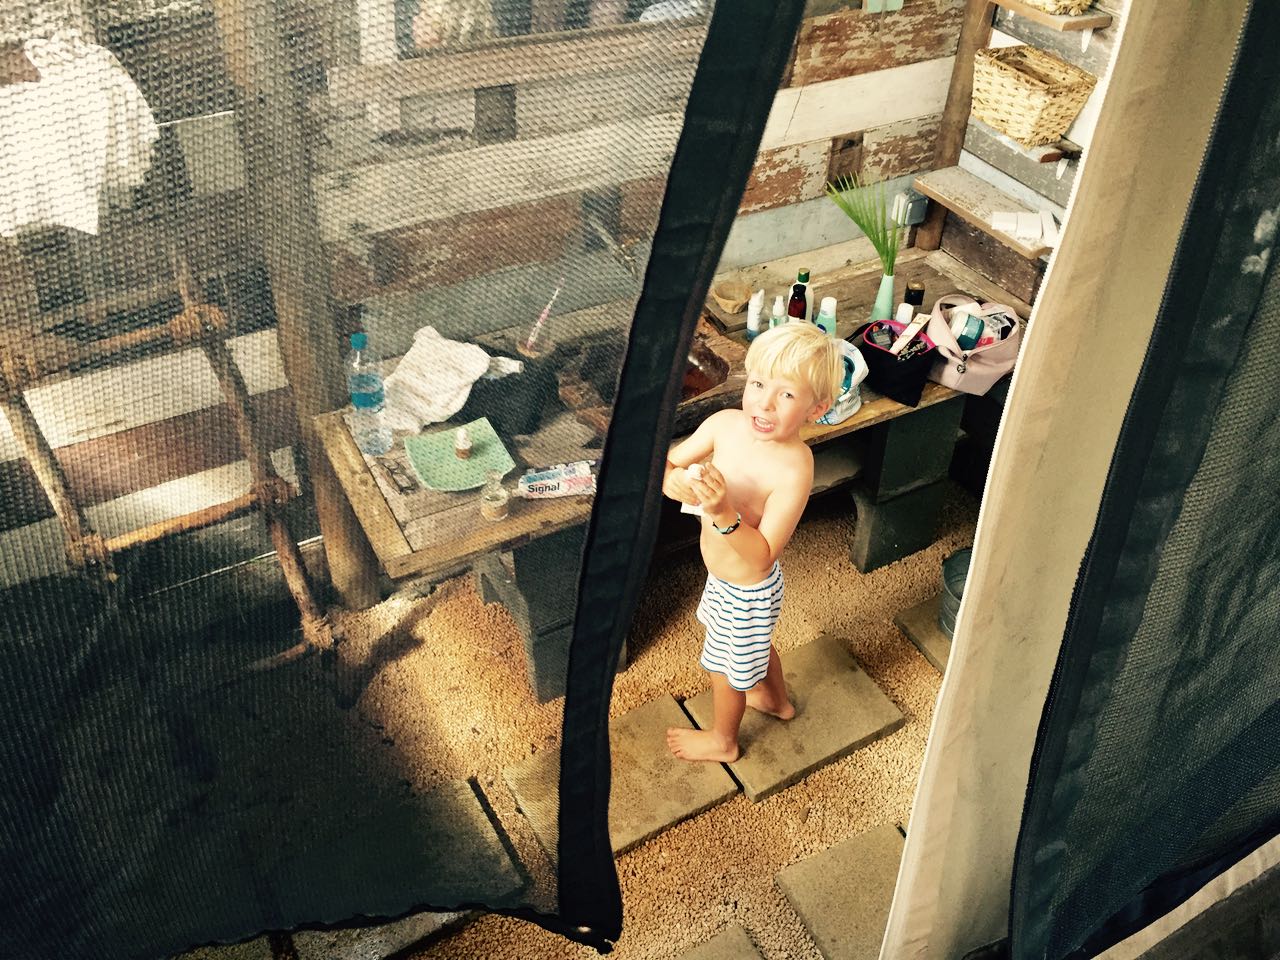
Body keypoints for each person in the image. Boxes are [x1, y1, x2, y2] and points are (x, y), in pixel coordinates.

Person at [663, 322, 842, 762]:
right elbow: (668, 464)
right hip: (722, 579)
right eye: (759, 384)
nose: (764, 402)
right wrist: (674, 483)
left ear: (816, 409)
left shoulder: (794, 468)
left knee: (726, 669)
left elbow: (762, 556)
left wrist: (724, 513)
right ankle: (777, 701)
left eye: (786, 394)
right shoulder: (724, 425)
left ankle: (723, 741)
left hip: (748, 589)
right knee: (755, 649)